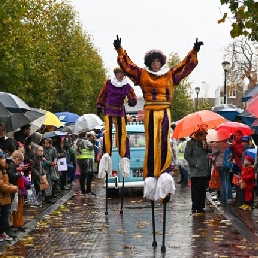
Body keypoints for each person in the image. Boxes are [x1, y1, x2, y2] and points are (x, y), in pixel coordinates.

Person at [113, 35, 203, 201]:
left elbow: (185, 67)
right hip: (150, 111)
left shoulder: (170, 75)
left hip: (165, 110)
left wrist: (194, 51)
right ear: (149, 63)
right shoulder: (142, 75)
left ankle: (164, 172)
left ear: (161, 62)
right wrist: (120, 49)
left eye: (158, 61)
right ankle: (152, 173)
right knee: (152, 142)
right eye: (153, 61)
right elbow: (128, 67)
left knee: (164, 141)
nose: (156, 64)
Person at [96, 67, 137, 173]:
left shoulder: (126, 86)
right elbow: (102, 94)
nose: (120, 75)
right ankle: (106, 154)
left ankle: (124, 155)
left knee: (122, 133)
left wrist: (132, 101)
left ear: (124, 75)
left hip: (120, 110)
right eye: (118, 73)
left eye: (122, 73)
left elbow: (133, 96)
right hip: (109, 109)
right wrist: (99, 105)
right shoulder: (109, 83)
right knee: (108, 132)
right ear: (116, 74)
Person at [184, 128, 211, 213]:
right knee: (196, 189)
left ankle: (201, 206)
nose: (205, 138)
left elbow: (210, 151)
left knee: (202, 189)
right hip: (195, 171)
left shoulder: (204, 143)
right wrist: (194, 164)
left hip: (204, 170)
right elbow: (187, 156)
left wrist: (206, 148)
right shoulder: (190, 143)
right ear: (199, 136)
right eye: (204, 136)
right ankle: (195, 205)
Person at [6, 150, 27, 232]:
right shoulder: (11, 165)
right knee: (13, 207)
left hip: (14, 187)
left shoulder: (11, 165)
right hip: (13, 188)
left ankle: (16, 224)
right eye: (20, 161)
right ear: (17, 159)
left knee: (16, 207)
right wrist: (19, 174)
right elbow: (12, 176)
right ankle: (13, 225)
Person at [0, 149, 18, 241]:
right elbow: (2, 185)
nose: (4, 160)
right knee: (3, 215)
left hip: (5, 197)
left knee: (5, 214)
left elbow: (6, 183)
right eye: (2, 158)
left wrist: (13, 187)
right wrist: (13, 188)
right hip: (2, 197)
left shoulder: (4, 169)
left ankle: (3, 233)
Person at [210, 138, 233, 204]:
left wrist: (211, 147)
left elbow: (212, 153)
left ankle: (223, 199)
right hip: (228, 165)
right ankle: (228, 197)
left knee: (223, 181)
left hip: (221, 165)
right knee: (226, 180)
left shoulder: (218, 144)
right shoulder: (229, 144)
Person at [43, 138, 58, 204]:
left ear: (50, 143)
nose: (45, 144)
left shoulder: (53, 149)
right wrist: (50, 162)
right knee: (48, 182)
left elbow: (55, 156)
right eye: (45, 143)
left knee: (52, 181)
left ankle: (49, 195)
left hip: (52, 167)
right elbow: (43, 159)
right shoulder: (43, 149)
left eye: (47, 143)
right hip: (45, 167)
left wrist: (54, 162)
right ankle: (47, 197)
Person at [231, 130, 244, 206]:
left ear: (241, 136)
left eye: (238, 135)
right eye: (235, 135)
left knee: (240, 183)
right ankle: (238, 199)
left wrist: (234, 145)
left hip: (240, 165)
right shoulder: (234, 143)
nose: (237, 137)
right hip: (235, 165)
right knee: (236, 182)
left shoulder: (241, 144)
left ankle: (240, 199)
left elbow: (240, 153)